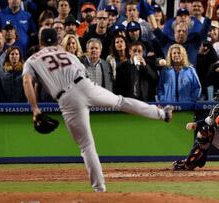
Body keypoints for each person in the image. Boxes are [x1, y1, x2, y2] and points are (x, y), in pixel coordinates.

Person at [22, 28, 174, 192]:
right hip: (86, 85)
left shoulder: (32, 60)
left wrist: (35, 109)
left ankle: (100, 189)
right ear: (57, 41)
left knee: (86, 145)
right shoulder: (66, 53)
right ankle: (161, 113)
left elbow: (27, 81)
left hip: (67, 97)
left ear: (40, 41)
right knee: (120, 102)